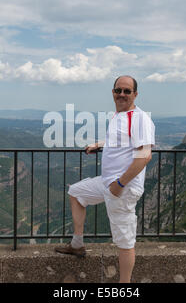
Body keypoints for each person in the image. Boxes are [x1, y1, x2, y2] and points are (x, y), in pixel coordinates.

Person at [54, 75, 155, 283]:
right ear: (112, 92)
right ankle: (77, 244)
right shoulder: (118, 115)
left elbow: (144, 156)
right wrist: (99, 144)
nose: (122, 94)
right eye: (118, 90)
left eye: (127, 91)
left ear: (135, 94)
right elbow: (119, 141)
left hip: (122, 188)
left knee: (125, 242)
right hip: (107, 183)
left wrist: (120, 185)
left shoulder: (139, 118)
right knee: (76, 192)